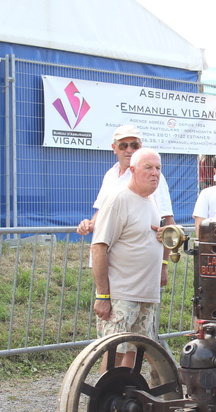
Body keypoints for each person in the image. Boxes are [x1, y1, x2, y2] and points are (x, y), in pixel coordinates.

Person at [91, 148, 168, 369]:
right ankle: (105, 400)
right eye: (148, 168)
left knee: (135, 351)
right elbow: (99, 248)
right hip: (121, 296)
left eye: (158, 168)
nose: (155, 173)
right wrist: (103, 295)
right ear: (133, 170)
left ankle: (127, 395)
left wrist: (164, 241)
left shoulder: (151, 201)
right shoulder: (118, 199)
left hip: (146, 294)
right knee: (114, 351)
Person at [76, 124, 175, 235]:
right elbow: (102, 209)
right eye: (123, 146)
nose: (129, 150)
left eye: (134, 145)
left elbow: (167, 218)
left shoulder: (153, 176)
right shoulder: (110, 175)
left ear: (140, 146)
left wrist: (168, 244)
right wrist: (89, 224)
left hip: (136, 246)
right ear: (114, 148)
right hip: (107, 246)